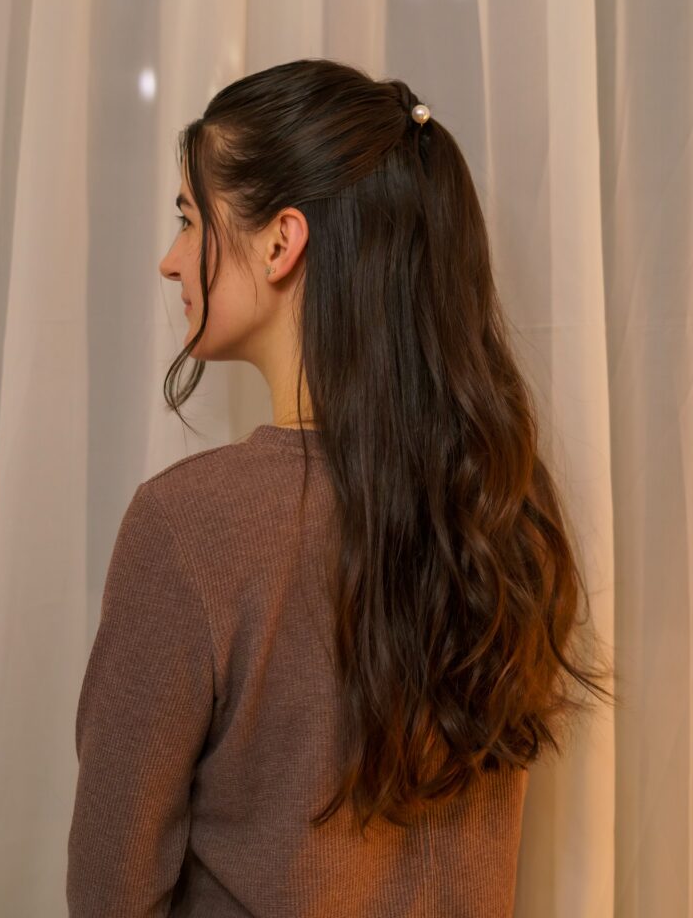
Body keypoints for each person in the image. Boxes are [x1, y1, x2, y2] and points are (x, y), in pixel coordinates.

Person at [66, 57, 616, 917]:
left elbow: (110, 892)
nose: (171, 262)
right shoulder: (497, 507)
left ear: (283, 241)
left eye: (187, 218)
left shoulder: (187, 526)